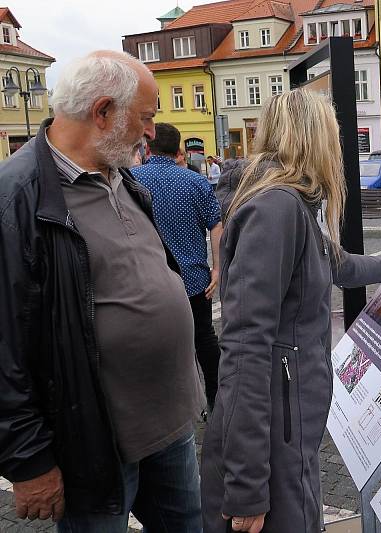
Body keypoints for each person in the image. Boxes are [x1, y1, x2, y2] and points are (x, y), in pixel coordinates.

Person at [0, 50, 203, 532]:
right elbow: (4, 346)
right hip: (94, 445)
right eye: (147, 117)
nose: (152, 132)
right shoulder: (17, 198)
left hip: (170, 427)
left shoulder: (124, 178)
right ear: (103, 111)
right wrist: (28, 462)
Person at [200, 89, 381, 533]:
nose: (338, 149)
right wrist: (246, 487)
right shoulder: (278, 208)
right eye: (333, 137)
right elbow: (243, 347)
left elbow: (334, 262)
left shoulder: (291, 204)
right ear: (313, 139)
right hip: (275, 432)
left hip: (287, 423)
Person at [131, 122, 223, 413]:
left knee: (158, 345)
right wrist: (217, 268)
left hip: (149, 280)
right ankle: (215, 399)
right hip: (195, 278)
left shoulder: (130, 180)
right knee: (204, 338)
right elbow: (217, 226)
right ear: (178, 149)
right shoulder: (196, 181)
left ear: (149, 146)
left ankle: (168, 408)